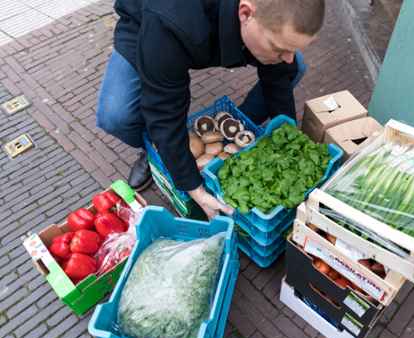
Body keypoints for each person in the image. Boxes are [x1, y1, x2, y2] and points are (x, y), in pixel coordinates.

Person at [96, 0, 325, 219]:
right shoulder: (167, 22)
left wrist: (285, 131)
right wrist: (194, 187)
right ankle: (155, 152)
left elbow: (282, 72)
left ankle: (237, 125)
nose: (288, 58)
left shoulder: (261, 24)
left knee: (294, 67)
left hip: (214, 23)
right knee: (116, 116)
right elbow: (163, 109)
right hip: (146, 21)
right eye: (279, 48)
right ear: (245, 13)